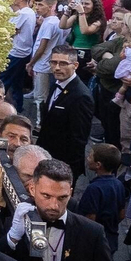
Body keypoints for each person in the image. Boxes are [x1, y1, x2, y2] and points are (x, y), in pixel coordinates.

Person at [37, 47, 94, 177]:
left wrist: (67, 171)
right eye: (53, 62)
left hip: (63, 165)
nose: (57, 68)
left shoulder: (81, 96)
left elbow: (79, 139)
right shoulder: (56, 85)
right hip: (47, 156)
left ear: (75, 65)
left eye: (63, 63)